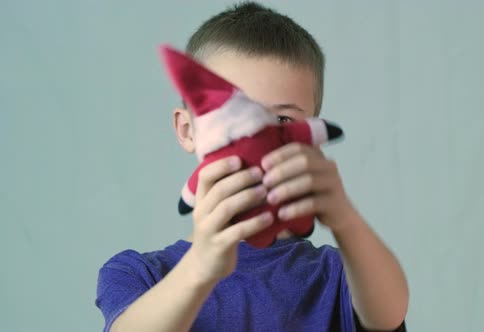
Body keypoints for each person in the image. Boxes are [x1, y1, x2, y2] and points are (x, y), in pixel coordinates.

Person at [95, 2, 409, 331]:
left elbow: (389, 316)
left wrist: (346, 218)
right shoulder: (140, 274)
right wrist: (200, 267)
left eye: (282, 120)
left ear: (310, 135)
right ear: (188, 131)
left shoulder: (340, 273)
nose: (257, 137)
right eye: (233, 119)